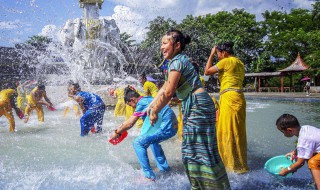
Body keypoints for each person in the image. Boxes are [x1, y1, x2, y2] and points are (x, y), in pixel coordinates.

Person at [149, 29, 230, 189]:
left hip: (197, 105)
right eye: (161, 44)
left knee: (195, 151)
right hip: (197, 103)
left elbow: (169, 92)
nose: (161, 47)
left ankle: (206, 187)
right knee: (200, 149)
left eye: (165, 43)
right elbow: (164, 87)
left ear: (177, 45)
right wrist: (152, 105)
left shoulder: (177, 62)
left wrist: (155, 111)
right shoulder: (176, 62)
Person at [110, 86, 177, 180]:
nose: (132, 108)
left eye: (130, 105)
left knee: (138, 143)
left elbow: (130, 123)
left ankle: (149, 176)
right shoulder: (148, 99)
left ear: (133, 100)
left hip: (167, 127)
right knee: (153, 141)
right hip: (173, 126)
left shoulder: (141, 103)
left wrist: (117, 132)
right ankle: (164, 168)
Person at [204, 41, 249, 174]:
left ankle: (231, 165)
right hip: (238, 98)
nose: (218, 56)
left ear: (224, 52)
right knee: (238, 131)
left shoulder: (227, 61)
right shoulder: (239, 62)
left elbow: (207, 72)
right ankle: (239, 162)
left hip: (229, 97)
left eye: (218, 53)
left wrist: (211, 55)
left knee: (227, 130)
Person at [276, 114, 320, 189]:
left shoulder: (303, 140)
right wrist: (295, 152)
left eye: (283, 132)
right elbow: (307, 145)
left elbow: (300, 163)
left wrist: (287, 170)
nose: (283, 134)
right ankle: (316, 180)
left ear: (289, 130)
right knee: (308, 156)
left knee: (313, 162)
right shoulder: (305, 128)